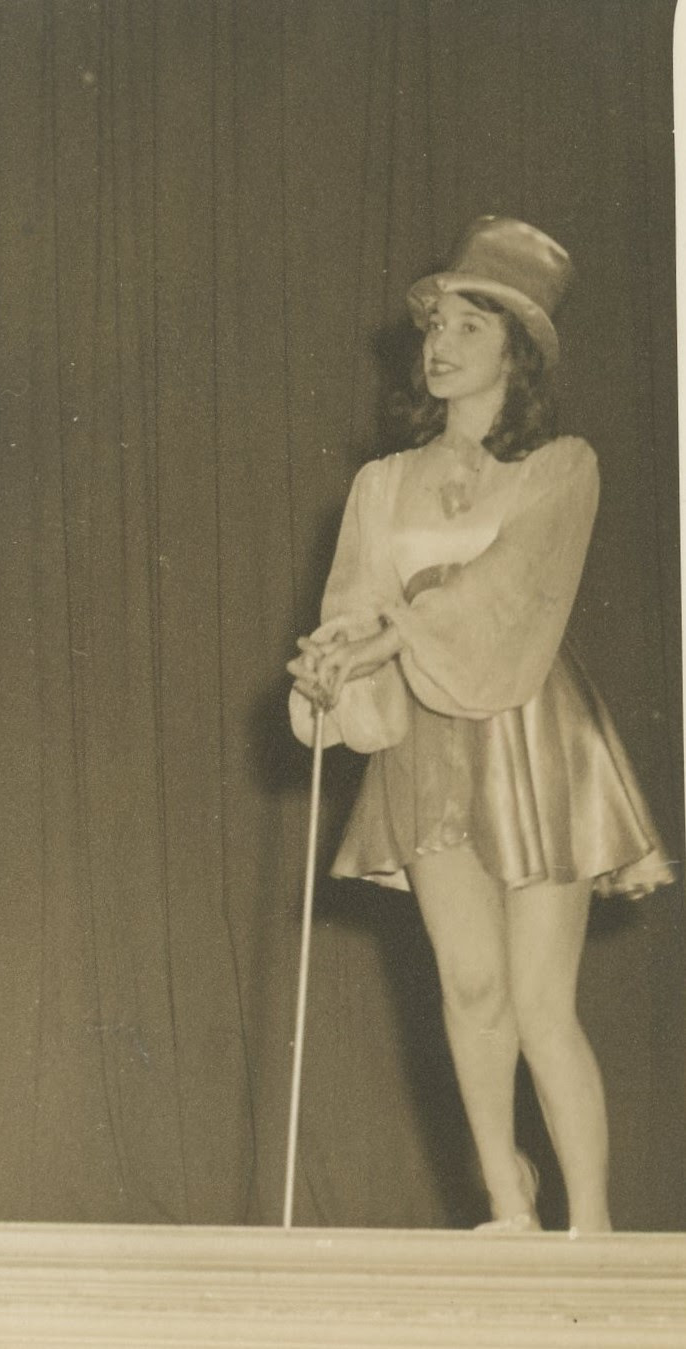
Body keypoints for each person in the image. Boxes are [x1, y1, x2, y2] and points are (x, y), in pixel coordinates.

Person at [287, 218, 670, 1234]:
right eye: (434, 328)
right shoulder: (382, 482)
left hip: (532, 735)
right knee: (467, 979)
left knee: (542, 1000)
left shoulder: (560, 466)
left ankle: (589, 1223)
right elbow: (355, 597)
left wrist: (390, 633)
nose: (441, 345)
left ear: (517, 347)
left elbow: (508, 592)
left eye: (468, 325)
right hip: (422, 737)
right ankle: (508, 1196)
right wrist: (332, 659)